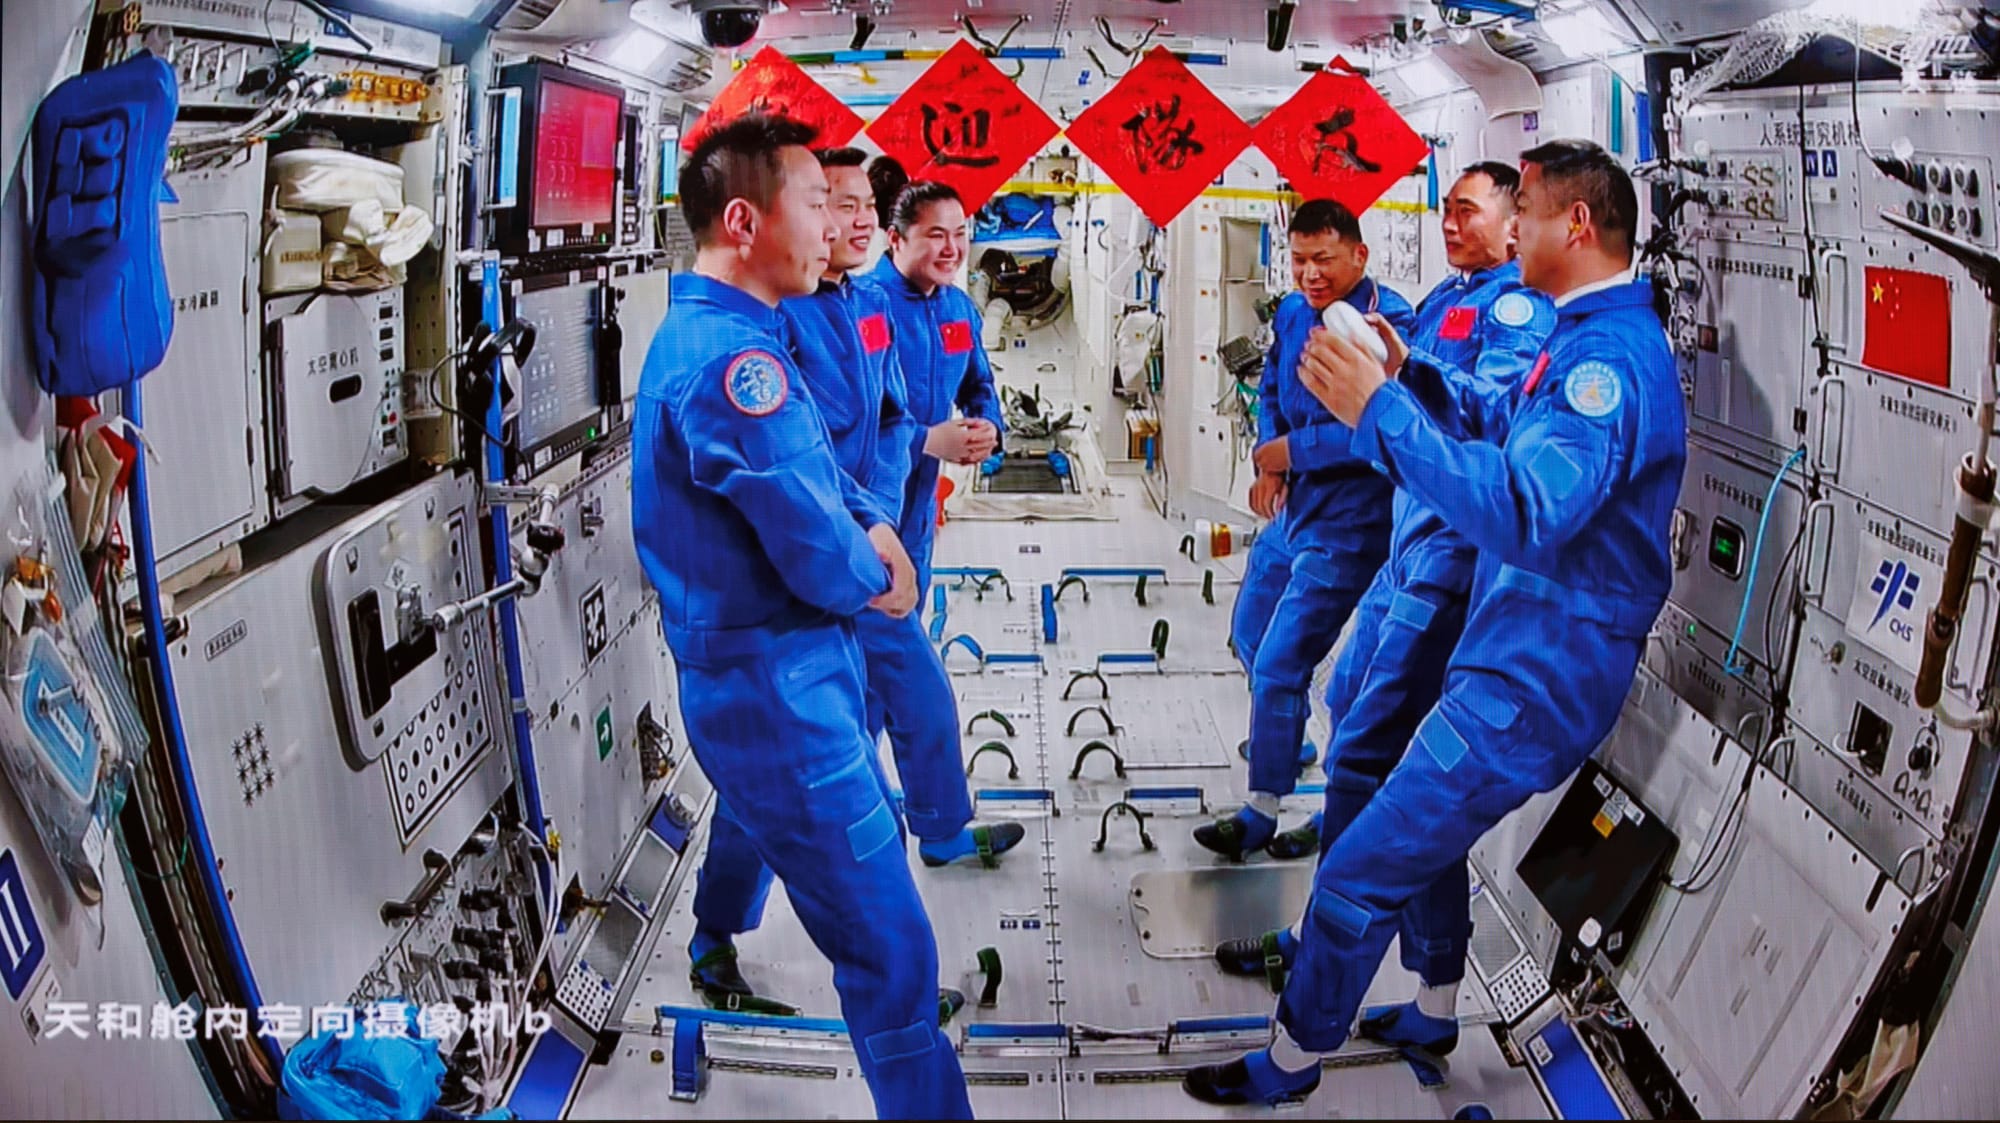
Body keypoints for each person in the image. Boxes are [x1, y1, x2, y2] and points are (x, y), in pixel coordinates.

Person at [1181, 138, 1684, 1106]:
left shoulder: (1607, 366)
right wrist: (1413, 380)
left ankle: (1288, 1062)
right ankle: (1432, 1002)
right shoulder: (1579, 339)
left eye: (1524, 210)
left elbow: (1527, 514)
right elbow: (1498, 417)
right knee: (1411, 832)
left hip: (1531, 679)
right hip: (1508, 652)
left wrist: (1379, 413)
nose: (1510, 231)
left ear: (1573, 224)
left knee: (1361, 864)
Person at [631, 114, 971, 1120]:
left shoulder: (740, 337)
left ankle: (716, 931)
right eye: (817, 202)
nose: (834, 225)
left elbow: (823, 470)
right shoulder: (737, 370)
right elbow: (817, 551)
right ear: (744, 220)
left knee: (874, 918)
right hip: (778, 690)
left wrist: (869, 529)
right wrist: (875, 571)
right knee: (891, 948)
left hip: (784, 681)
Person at [1210, 164, 1556, 1061]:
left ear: (1520, 226)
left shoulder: (1516, 311)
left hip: (1448, 553)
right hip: (1410, 544)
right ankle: (1435, 998)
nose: (1450, 219)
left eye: (1467, 207)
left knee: (1371, 753)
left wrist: (1369, 411)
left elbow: (1488, 426)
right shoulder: (1449, 295)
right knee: (1366, 739)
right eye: (1444, 206)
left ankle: (1318, 959)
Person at [686, 153, 1025, 999]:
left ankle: (718, 927)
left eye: (865, 205)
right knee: (881, 726)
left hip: (890, 539)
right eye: (835, 206)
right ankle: (920, 873)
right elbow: (807, 455)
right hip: (836, 569)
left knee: (804, 761)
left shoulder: (859, 309)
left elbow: (884, 408)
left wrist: (967, 431)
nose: (855, 222)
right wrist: (917, 453)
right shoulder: (787, 320)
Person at [1196, 199, 1415, 861]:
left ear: (1358, 256)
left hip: (1352, 521)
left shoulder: (1389, 321)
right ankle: (1289, 739)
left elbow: (1377, 420)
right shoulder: (1292, 313)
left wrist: (1296, 454)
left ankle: (1262, 807)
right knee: (1250, 634)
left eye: (1324, 259)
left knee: (1283, 659)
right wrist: (1271, 458)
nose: (1310, 273)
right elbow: (1271, 387)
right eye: (1298, 260)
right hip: (1295, 510)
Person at [865, 178, 1006, 600]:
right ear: (896, 239)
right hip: (868, 506)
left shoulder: (957, 308)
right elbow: (851, 420)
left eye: (960, 234)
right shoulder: (865, 307)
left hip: (921, 504)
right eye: (936, 235)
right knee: (872, 624)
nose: (952, 249)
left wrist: (989, 427)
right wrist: (926, 440)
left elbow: (977, 382)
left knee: (911, 609)